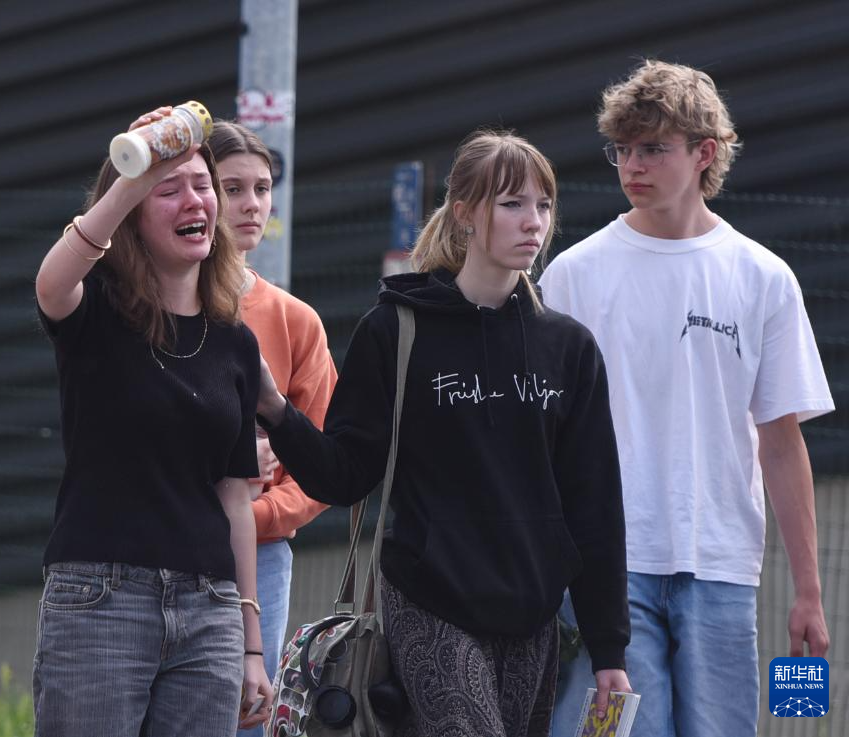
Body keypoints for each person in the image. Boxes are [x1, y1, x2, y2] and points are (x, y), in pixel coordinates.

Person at [256, 129, 631, 737]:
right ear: (464, 213)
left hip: (532, 612)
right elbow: (346, 475)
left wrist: (609, 649)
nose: (533, 222)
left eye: (543, 205)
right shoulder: (396, 330)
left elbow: (595, 505)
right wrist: (277, 412)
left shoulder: (569, 348)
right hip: (429, 597)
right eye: (512, 204)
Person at [539, 60, 834, 737]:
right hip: (603, 565)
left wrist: (809, 591)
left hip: (722, 564)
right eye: (622, 149)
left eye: (653, 148)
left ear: (705, 153)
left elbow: (781, 442)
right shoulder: (573, 275)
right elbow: (540, 436)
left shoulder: (763, 277)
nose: (632, 165)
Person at [32, 106, 272, 736]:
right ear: (133, 216)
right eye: (168, 191)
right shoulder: (95, 313)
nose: (194, 201)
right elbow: (51, 284)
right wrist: (132, 174)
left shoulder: (235, 341)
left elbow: (236, 499)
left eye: (202, 185)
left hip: (210, 609)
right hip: (100, 600)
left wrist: (251, 645)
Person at [205, 120, 338, 737]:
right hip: (158, 545)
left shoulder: (294, 320)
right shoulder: (150, 306)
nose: (252, 204)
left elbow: (323, 463)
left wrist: (253, 515)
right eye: (232, 189)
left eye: (262, 189)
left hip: (261, 553)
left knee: (247, 717)